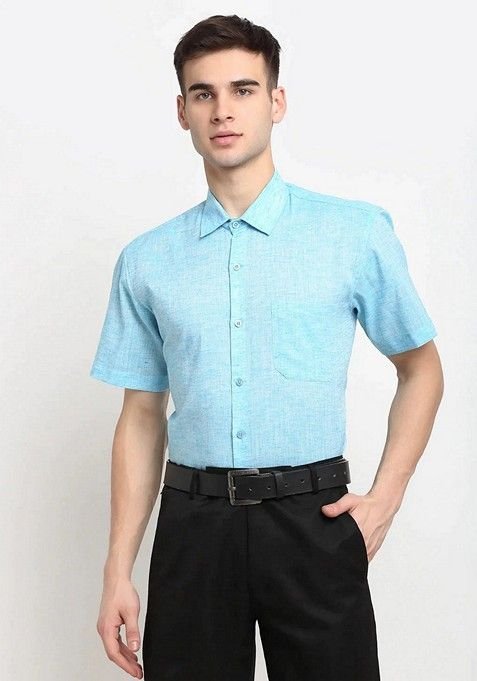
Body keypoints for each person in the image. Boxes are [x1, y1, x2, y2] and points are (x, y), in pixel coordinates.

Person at [90, 14, 444, 681]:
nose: (222, 110)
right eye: (203, 93)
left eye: (243, 89)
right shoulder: (147, 261)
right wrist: (117, 569)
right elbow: (140, 414)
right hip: (193, 527)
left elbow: (420, 368)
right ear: (182, 111)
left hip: (313, 520)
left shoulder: (353, 234)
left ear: (276, 102)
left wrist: (385, 497)